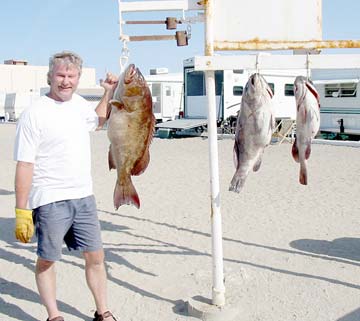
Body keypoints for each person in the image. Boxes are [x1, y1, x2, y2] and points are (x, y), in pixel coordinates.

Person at [14, 51, 118, 321]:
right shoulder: (33, 113)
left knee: (96, 257)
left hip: (83, 197)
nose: (65, 81)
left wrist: (107, 93)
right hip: (49, 199)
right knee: (47, 259)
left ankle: (103, 312)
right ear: (50, 76)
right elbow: (24, 164)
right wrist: (21, 211)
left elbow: (98, 121)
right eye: (60, 75)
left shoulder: (80, 104)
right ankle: (54, 315)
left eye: (71, 76)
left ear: (78, 78)